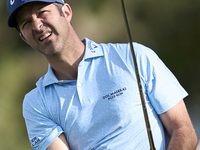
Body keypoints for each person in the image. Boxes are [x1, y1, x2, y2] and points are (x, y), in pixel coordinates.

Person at [7, 0, 198, 149]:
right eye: (26, 22)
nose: (37, 25)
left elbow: (183, 130)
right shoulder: (36, 103)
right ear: (24, 37)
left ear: (66, 12)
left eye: (42, 13)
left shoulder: (133, 57)